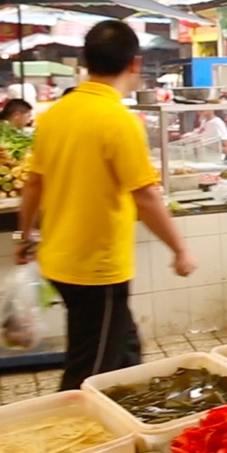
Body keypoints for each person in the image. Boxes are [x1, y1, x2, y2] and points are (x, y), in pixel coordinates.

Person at [16, 20, 198, 390]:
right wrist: (180, 249)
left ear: (84, 61)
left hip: (59, 258)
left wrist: (24, 235)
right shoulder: (118, 120)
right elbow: (145, 196)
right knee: (89, 372)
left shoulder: (55, 115)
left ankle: (131, 419)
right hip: (95, 268)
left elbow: (34, 182)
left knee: (126, 349)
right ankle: (67, 440)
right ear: (135, 63)